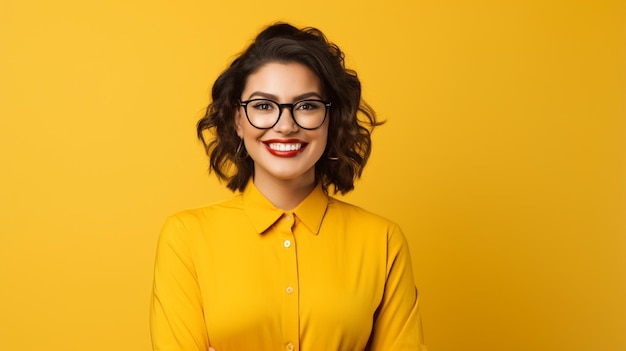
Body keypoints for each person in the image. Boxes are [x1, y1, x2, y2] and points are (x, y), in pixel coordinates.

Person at [150, 22, 427, 351]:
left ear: (331, 118)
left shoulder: (382, 241)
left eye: (307, 106)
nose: (286, 125)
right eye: (263, 106)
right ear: (238, 120)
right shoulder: (185, 237)